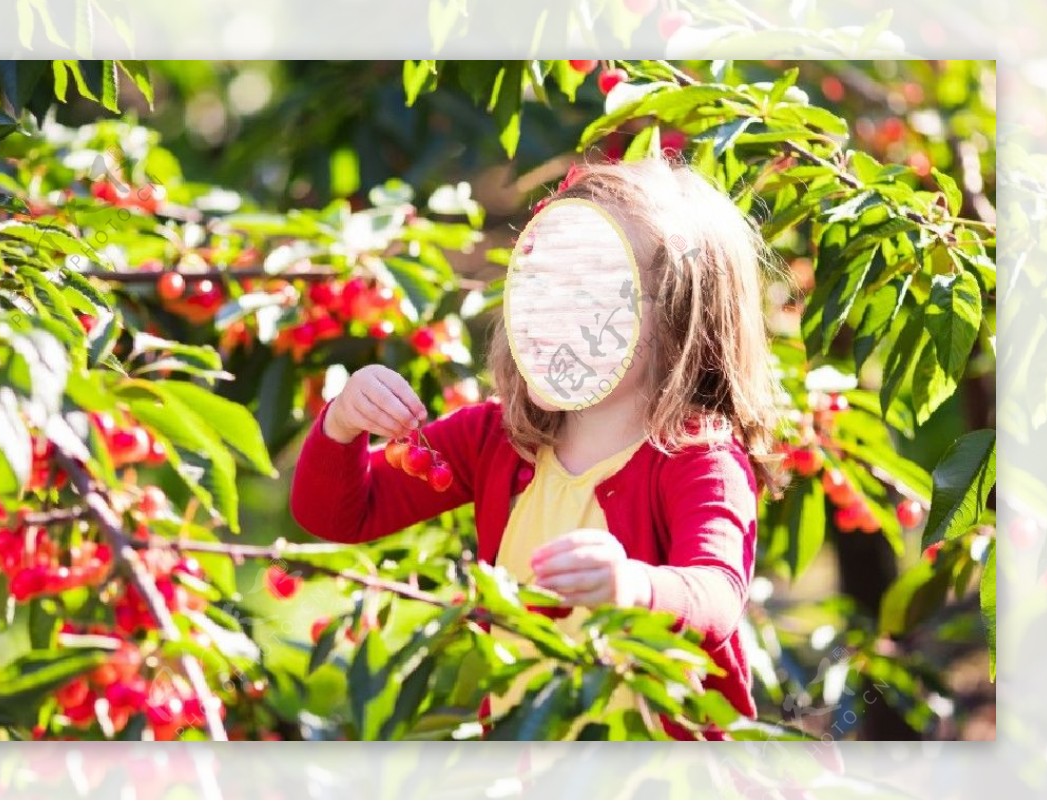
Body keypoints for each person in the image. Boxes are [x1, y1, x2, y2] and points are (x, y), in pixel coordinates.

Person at [290, 156, 784, 739]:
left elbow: (717, 593)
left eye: (598, 286)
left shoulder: (702, 461)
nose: (562, 303)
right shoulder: (499, 439)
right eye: (549, 279)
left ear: (683, 316)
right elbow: (344, 513)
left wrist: (636, 586)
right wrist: (343, 424)